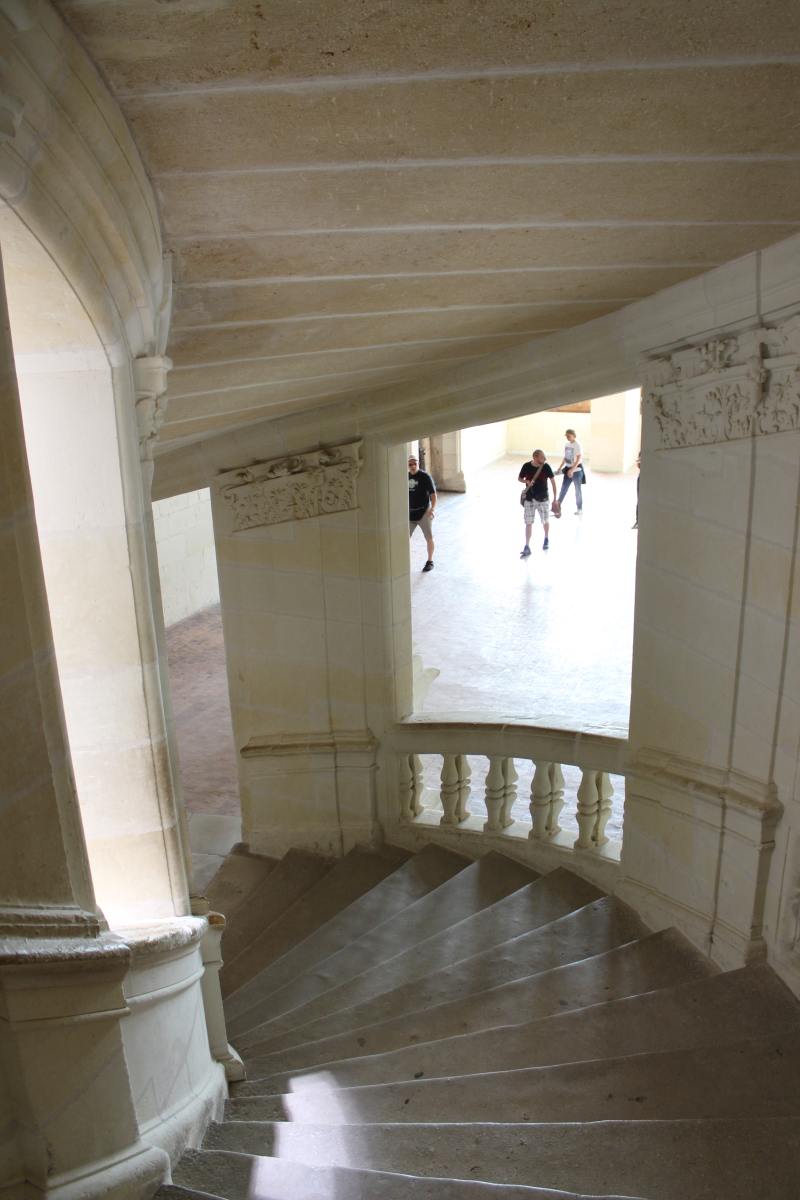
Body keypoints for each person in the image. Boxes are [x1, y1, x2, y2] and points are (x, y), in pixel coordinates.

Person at [518, 449, 557, 557]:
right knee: (528, 522)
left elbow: (553, 482)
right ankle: (526, 546)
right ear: (535, 457)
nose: (544, 459)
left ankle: (546, 538)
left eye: (544, 457)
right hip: (529, 499)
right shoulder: (526, 466)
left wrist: (555, 498)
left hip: (543, 498)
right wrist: (526, 481)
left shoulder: (546, 467)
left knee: (545, 520)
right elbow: (519, 478)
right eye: (541, 457)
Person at [408, 455, 436, 572]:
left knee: (428, 537)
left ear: (418, 464)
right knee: (404, 539)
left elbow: (433, 495)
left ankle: (430, 561)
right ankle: (404, 561)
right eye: (410, 464)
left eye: (415, 463)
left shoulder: (425, 477)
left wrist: (432, 509)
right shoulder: (404, 477)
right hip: (410, 513)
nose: (413, 466)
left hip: (424, 512)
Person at [556, 428, 584, 514]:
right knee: (564, 488)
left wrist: (572, 470)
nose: (567, 437)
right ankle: (557, 506)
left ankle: (579, 509)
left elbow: (579, 458)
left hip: (577, 470)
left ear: (574, 436)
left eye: (569, 436)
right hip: (568, 469)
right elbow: (566, 457)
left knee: (577, 490)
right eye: (566, 436)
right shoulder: (567, 444)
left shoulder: (577, 445)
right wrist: (560, 467)